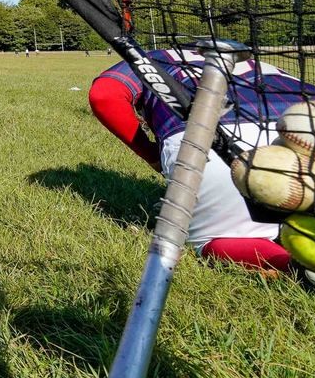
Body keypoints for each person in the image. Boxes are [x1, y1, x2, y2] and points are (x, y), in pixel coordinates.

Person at [89, 48, 298, 271]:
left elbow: (105, 94)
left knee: (215, 241)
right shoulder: (260, 64)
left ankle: (297, 267)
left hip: (212, 140)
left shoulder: (154, 56)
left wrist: (153, 157)